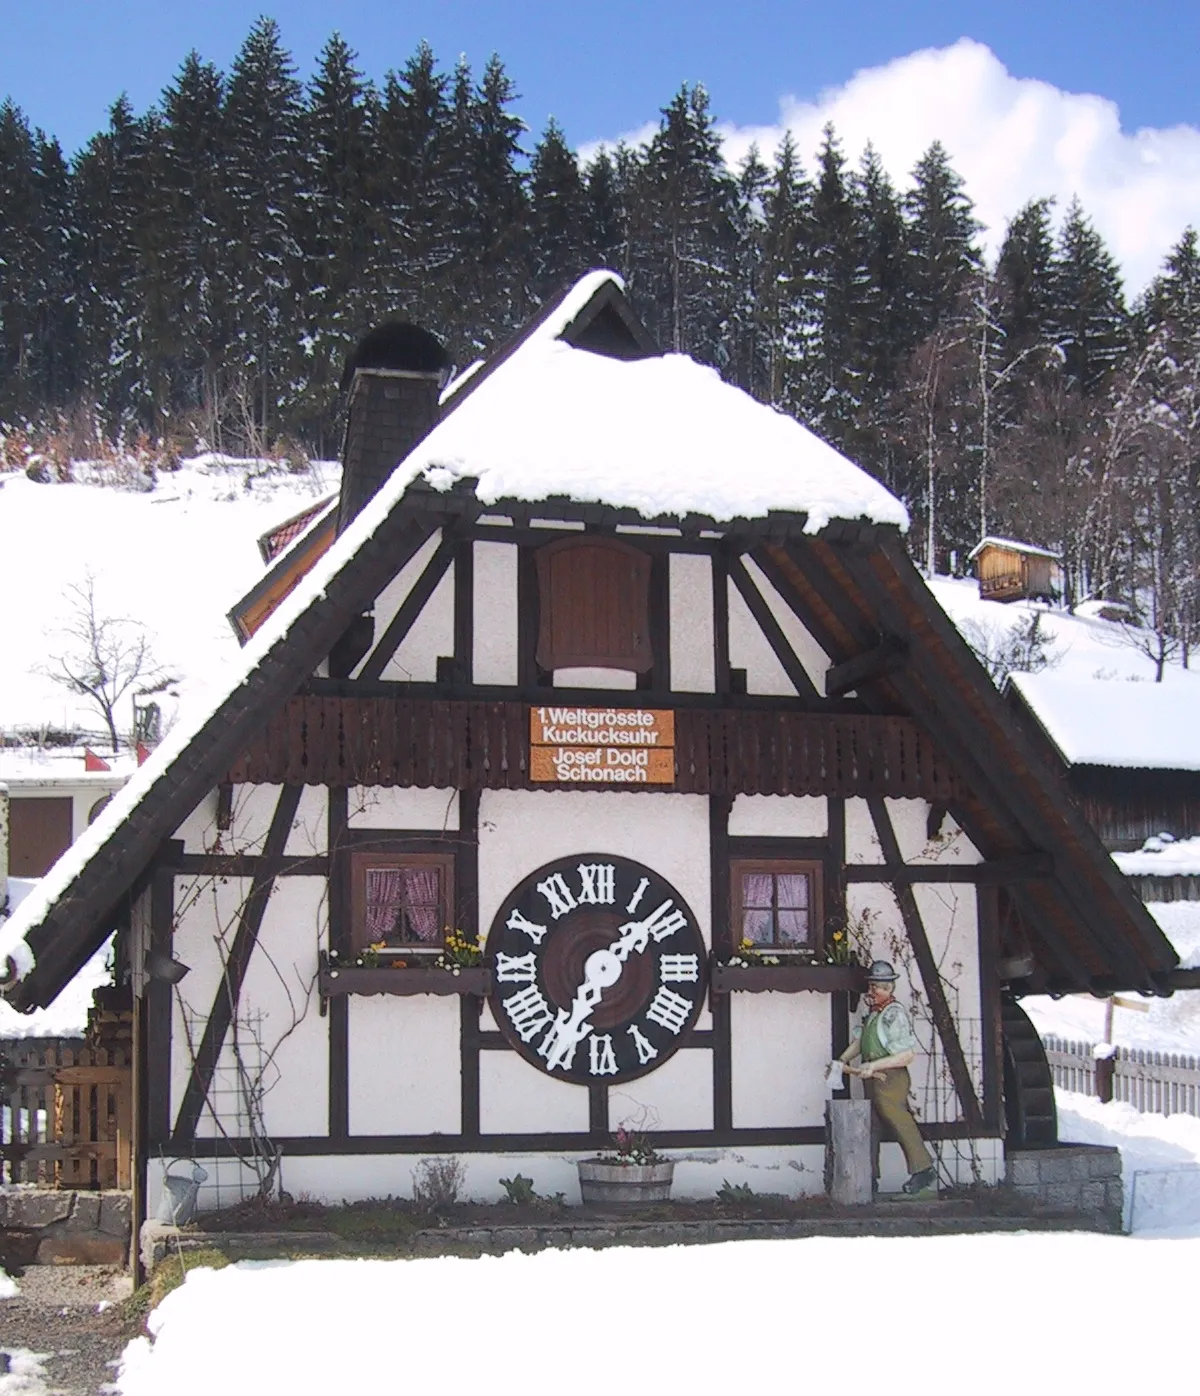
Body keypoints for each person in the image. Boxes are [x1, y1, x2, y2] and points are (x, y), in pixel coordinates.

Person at [835, 960, 936, 1195]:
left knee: (898, 1119)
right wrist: (842, 1060)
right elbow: (860, 1043)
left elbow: (906, 1055)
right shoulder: (873, 1015)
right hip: (872, 1079)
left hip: (890, 1078)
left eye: (876, 988)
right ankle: (869, 1176)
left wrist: (875, 1065)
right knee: (870, 1127)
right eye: (870, 987)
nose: (871, 992)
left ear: (889, 989)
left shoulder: (894, 1015)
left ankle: (923, 1170)